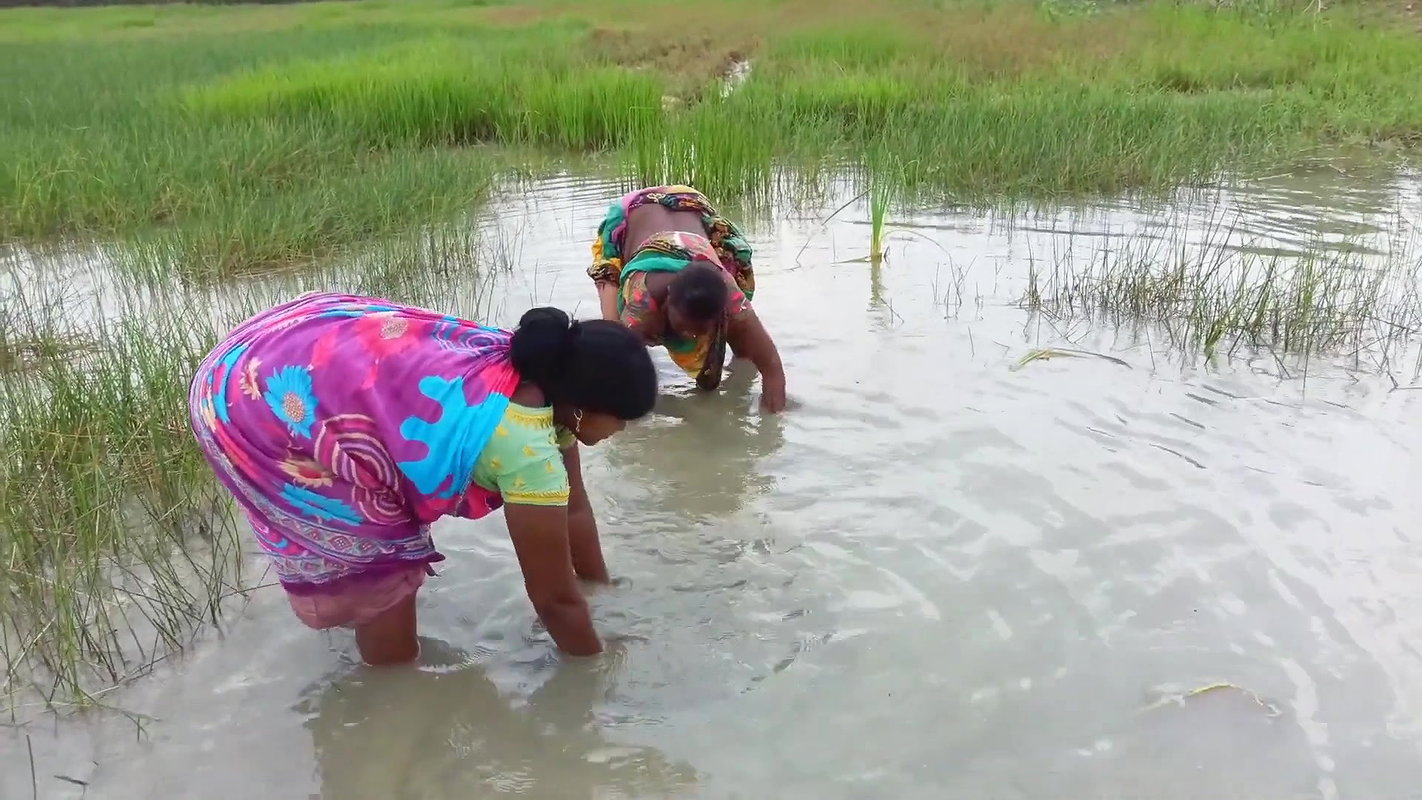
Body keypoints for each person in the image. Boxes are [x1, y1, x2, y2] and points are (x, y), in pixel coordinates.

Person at [188, 293, 657, 665]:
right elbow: (553, 599)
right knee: (382, 569)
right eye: (621, 421)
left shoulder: (545, 371)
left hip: (283, 340)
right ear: (582, 406)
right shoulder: (527, 454)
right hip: (252, 398)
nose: (620, 433)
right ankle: (391, 688)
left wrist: (601, 590)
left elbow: (573, 509)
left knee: (390, 555)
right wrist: (595, 673)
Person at [588, 184, 787, 413]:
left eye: (702, 329)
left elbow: (772, 367)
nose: (691, 335)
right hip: (634, 211)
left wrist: (773, 426)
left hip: (688, 201)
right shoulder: (641, 304)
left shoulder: (731, 298)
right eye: (685, 325)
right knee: (614, 335)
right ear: (669, 298)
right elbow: (617, 379)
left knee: (742, 339)